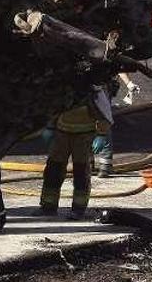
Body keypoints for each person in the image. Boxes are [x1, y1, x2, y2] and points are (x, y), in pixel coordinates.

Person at [35, 87, 112, 220]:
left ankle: (78, 208)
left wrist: (101, 134)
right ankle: (48, 205)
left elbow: (103, 111)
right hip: (61, 133)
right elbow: (54, 107)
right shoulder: (64, 84)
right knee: (53, 169)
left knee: (81, 172)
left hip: (85, 135)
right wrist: (50, 126)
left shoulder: (93, 88)